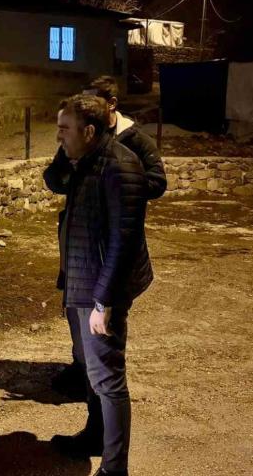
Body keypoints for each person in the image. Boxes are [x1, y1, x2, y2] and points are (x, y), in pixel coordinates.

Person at [45, 95, 153, 476]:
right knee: (93, 374)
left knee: (108, 380)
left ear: (89, 131)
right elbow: (52, 180)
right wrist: (66, 152)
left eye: (65, 129)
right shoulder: (86, 161)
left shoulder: (121, 167)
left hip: (101, 291)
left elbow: (123, 243)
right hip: (82, 282)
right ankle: (95, 436)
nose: (58, 136)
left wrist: (103, 302)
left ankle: (114, 468)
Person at [48, 75, 166, 397]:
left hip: (109, 238)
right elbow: (54, 179)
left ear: (111, 104)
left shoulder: (135, 141)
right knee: (74, 307)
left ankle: (102, 385)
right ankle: (81, 368)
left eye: (92, 100)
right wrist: (70, 172)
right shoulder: (78, 140)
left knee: (105, 317)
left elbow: (157, 182)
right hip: (78, 239)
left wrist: (117, 185)